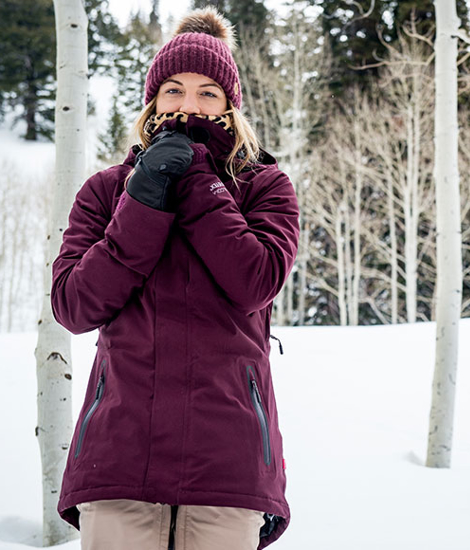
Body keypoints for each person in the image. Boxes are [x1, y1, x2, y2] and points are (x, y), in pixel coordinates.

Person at [51, 7, 299, 550]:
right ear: (152, 102)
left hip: (228, 466)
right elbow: (74, 306)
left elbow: (255, 281)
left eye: (208, 93)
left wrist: (199, 182)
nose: (189, 105)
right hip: (118, 458)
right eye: (174, 90)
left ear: (231, 108)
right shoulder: (105, 191)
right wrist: (142, 199)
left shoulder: (265, 187)